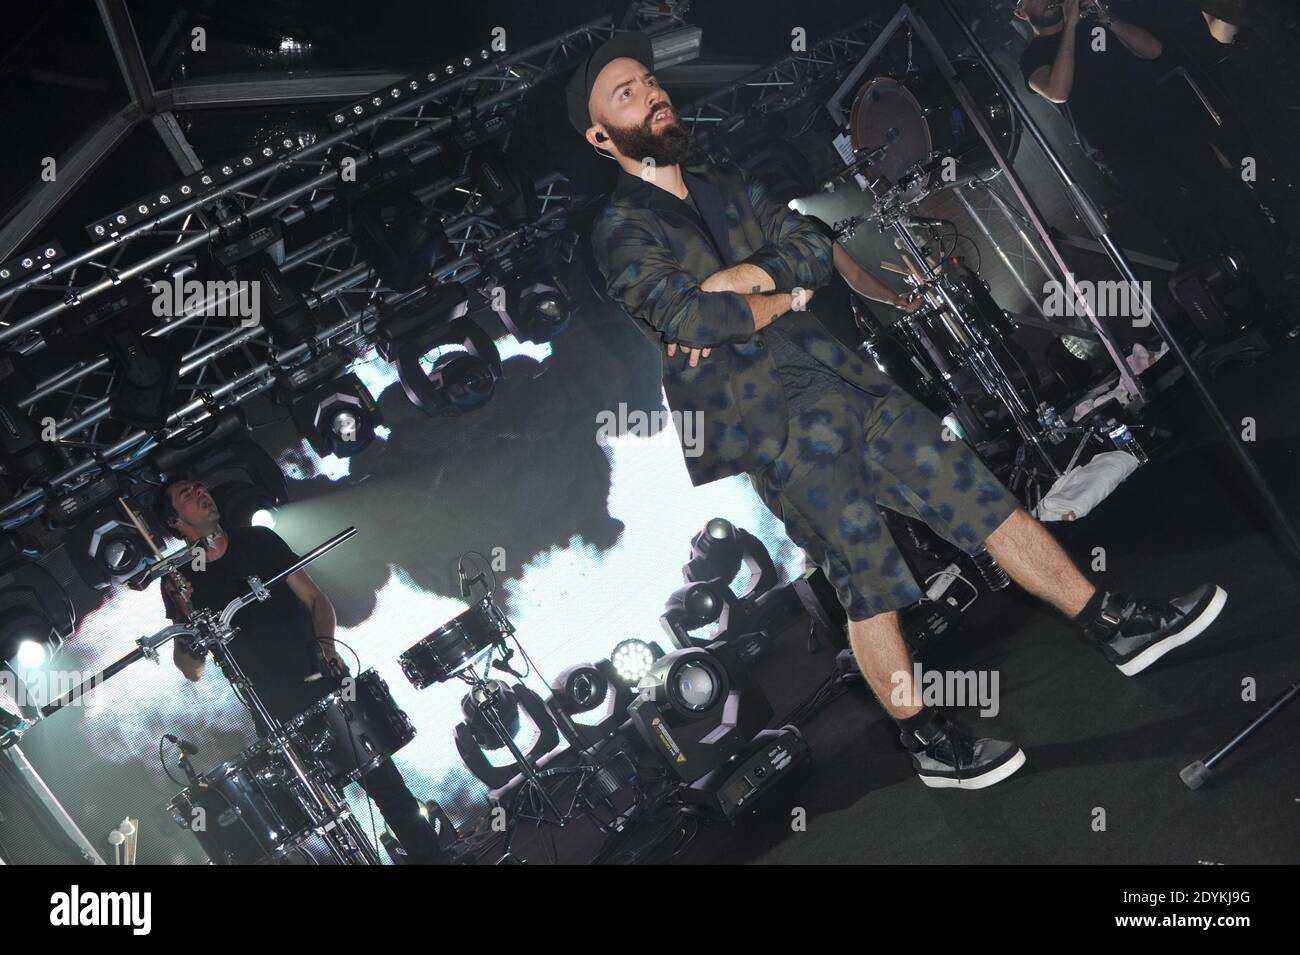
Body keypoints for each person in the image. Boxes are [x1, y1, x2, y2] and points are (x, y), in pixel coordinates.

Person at [570, 32, 1228, 788]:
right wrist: (776, 295)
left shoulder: (722, 177)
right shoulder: (620, 230)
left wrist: (745, 277)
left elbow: (810, 245)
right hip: (772, 427)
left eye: (649, 80)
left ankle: (1110, 622)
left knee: (975, 494)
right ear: (599, 136)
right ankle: (923, 737)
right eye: (626, 93)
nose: (651, 93)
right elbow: (688, 320)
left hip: (843, 383)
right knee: (868, 577)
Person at [155, 474, 447, 863]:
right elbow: (190, 669)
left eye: (200, 487)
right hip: (274, 708)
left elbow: (315, 599)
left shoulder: (257, 540)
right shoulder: (181, 579)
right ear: (175, 522)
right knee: (323, 814)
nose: (201, 495)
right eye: (187, 496)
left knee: (387, 784)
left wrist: (327, 647)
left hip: (323, 679)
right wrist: (184, 615)